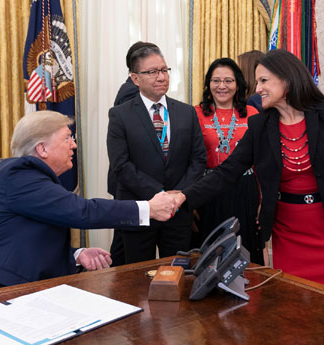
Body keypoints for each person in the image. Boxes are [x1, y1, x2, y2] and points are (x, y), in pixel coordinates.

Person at [169, 49, 324, 295]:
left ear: (287, 80)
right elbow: (227, 171)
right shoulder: (260, 126)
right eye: (257, 82)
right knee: (293, 306)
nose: (257, 89)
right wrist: (184, 197)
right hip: (289, 234)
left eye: (263, 81)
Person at [0, 111, 176, 300]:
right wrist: (148, 209)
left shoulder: (34, 182)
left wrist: (76, 255)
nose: (74, 145)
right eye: (67, 138)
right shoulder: (19, 173)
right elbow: (82, 211)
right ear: (42, 149)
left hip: (12, 294)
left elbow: (25, 240)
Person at [107, 44, 207, 264]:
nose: (161, 77)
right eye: (152, 72)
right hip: (140, 209)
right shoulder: (119, 115)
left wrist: (177, 195)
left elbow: (198, 160)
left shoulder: (186, 112)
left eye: (164, 70)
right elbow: (121, 165)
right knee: (137, 279)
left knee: (177, 276)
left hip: (178, 213)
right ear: (135, 79)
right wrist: (161, 195)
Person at [194, 58, 262, 263]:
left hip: (245, 189)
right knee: (210, 252)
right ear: (208, 84)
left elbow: (261, 160)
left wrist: (263, 199)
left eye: (228, 80)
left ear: (238, 84)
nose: (222, 86)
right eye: (216, 80)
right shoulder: (195, 114)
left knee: (245, 250)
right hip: (209, 190)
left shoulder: (253, 114)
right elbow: (190, 160)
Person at [108, 41, 159, 267]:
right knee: (130, 255)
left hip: (134, 185)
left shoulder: (129, 88)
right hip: (135, 187)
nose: (159, 75)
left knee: (121, 247)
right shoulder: (131, 93)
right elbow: (141, 143)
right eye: (151, 69)